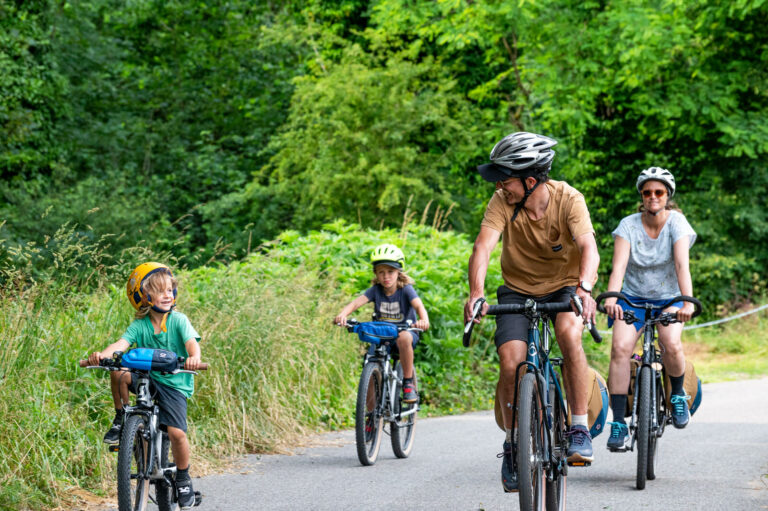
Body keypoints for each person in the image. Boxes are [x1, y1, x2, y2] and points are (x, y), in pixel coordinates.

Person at [464, 131, 600, 493]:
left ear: (529, 180)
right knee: (511, 360)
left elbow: (589, 248)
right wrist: (476, 293)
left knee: (569, 334)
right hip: (517, 289)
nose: (499, 186)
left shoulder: (569, 199)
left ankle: (579, 426)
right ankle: (513, 443)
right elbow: (483, 247)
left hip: (565, 285)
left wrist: (585, 288)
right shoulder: (502, 201)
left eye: (504, 179)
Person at [88, 262, 202, 509]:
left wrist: (194, 357)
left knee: (177, 433)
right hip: (146, 380)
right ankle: (122, 417)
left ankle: (183, 477)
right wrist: (101, 356)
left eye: (170, 290)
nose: (167, 295)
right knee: (118, 371)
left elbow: (191, 343)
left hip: (173, 384)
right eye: (160, 291)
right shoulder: (139, 326)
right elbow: (120, 345)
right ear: (144, 296)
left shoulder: (178, 320)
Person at [603, 167, 697, 451]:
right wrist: (611, 298)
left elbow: (681, 265)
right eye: (647, 192)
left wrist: (687, 301)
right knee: (620, 349)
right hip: (632, 298)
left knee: (671, 343)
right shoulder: (628, 225)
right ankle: (618, 423)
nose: (653, 197)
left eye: (659, 192)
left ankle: (677, 395)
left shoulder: (677, 223)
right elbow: (619, 266)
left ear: (667, 195)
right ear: (641, 197)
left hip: (669, 298)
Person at [335, 244, 430, 403]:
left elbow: (419, 306)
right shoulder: (375, 290)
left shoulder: (406, 290)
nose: (386, 276)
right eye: (381, 272)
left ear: (399, 272)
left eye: (390, 272)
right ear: (376, 274)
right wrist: (342, 315)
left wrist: (423, 320)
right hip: (382, 336)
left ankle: (408, 383)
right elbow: (356, 303)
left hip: (403, 334)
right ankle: (370, 415)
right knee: (370, 363)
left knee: (404, 337)